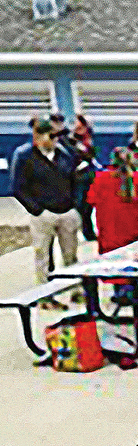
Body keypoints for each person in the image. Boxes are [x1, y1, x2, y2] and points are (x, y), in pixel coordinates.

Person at [13, 117, 81, 307]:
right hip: (43, 215)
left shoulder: (65, 155)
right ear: (37, 136)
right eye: (50, 137)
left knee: (71, 256)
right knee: (43, 256)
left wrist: (74, 204)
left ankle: (75, 290)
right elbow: (18, 187)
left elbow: (76, 180)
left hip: (67, 212)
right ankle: (45, 296)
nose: (54, 141)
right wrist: (37, 210)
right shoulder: (25, 156)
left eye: (56, 137)